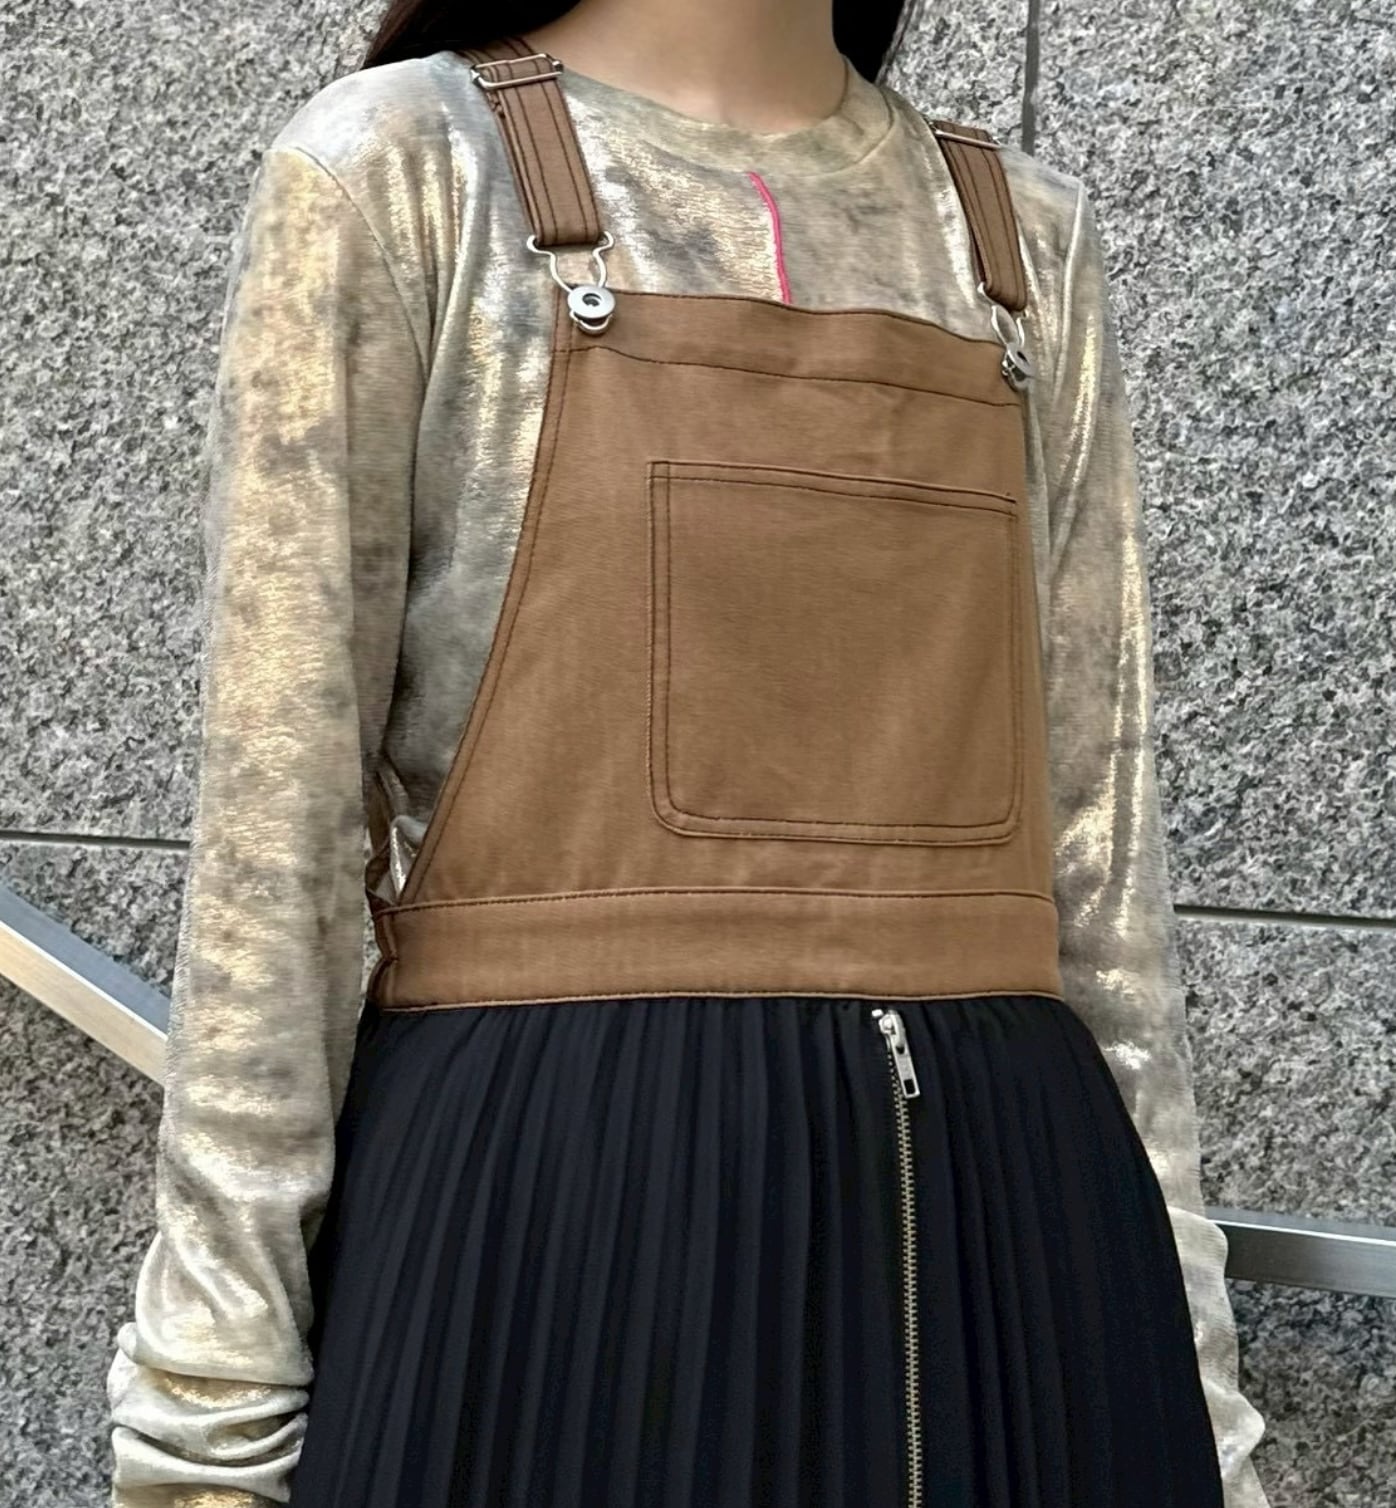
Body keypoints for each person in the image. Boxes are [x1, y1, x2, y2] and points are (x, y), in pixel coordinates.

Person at [106, 2, 1272, 1505]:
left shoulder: (1023, 243)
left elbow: (1103, 882)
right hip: (553, 1234)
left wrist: (1204, 1406)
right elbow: (276, 851)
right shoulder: (407, 166)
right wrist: (205, 1427)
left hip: (1011, 1249)